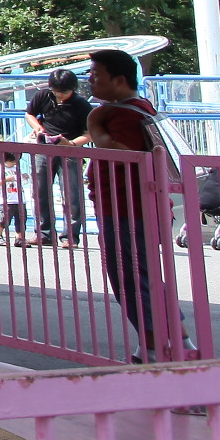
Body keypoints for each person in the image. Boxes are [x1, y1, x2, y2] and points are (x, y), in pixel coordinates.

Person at [83, 49, 184, 361]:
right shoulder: (141, 108)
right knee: (146, 275)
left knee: (130, 279)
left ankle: (154, 347)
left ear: (119, 80)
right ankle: (177, 341)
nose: (90, 80)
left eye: (96, 74)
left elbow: (123, 153)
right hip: (136, 208)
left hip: (127, 209)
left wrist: (94, 124)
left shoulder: (123, 114)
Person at [26, 68, 88, 246]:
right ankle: (43, 234)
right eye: (56, 91)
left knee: (71, 195)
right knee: (40, 192)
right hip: (44, 147)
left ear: (73, 89)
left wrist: (72, 144)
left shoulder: (81, 105)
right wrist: (38, 127)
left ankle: (70, 236)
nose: (59, 95)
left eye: (64, 92)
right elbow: (29, 114)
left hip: (70, 151)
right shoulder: (43, 95)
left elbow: (89, 134)